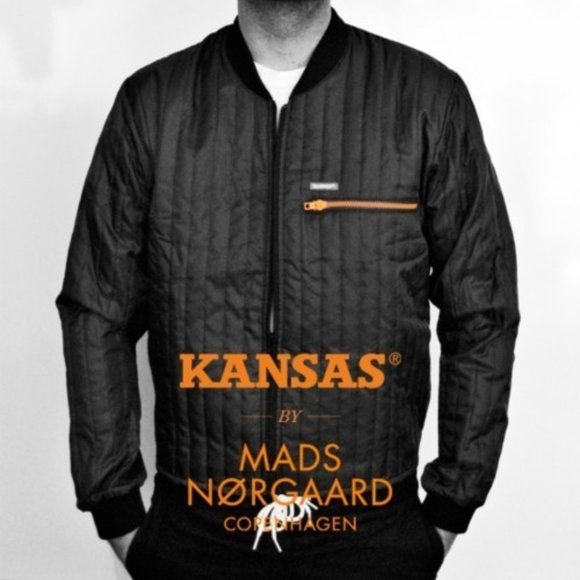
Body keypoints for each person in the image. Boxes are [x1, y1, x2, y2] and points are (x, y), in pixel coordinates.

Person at [55, 1, 520, 578]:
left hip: (374, 534)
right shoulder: (152, 104)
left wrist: (451, 505)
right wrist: (118, 511)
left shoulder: (427, 99)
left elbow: (482, 307)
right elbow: (97, 308)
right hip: (196, 534)